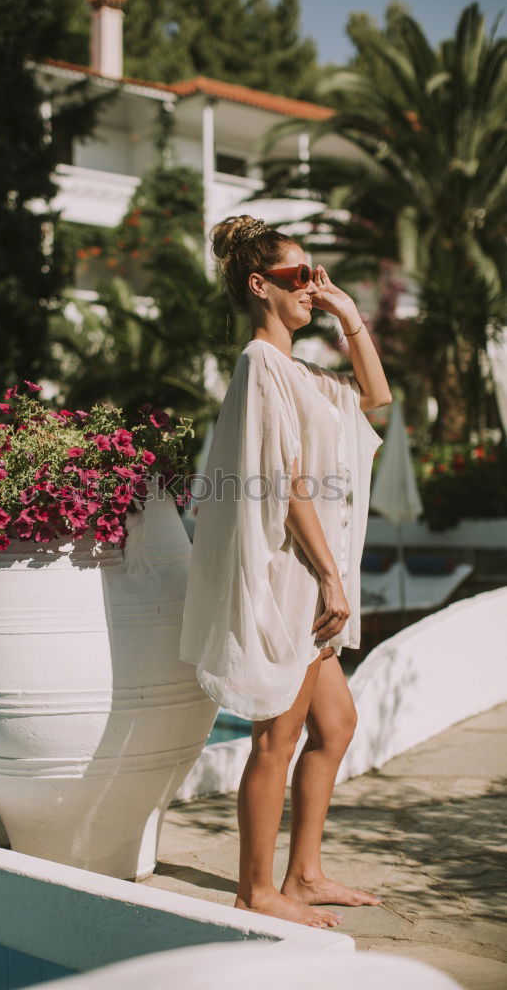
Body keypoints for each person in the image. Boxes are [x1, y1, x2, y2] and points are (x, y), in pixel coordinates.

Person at [179, 215, 392, 929]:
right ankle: (255, 890)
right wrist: (331, 575)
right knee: (279, 736)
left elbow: (377, 398)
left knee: (335, 725)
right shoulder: (260, 364)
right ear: (258, 284)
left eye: (316, 275)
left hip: (319, 576)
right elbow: (284, 481)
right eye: (300, 277)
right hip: (298, 577)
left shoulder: (304, 372)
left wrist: (349, 315)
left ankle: (303, 875)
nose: (313, 286)